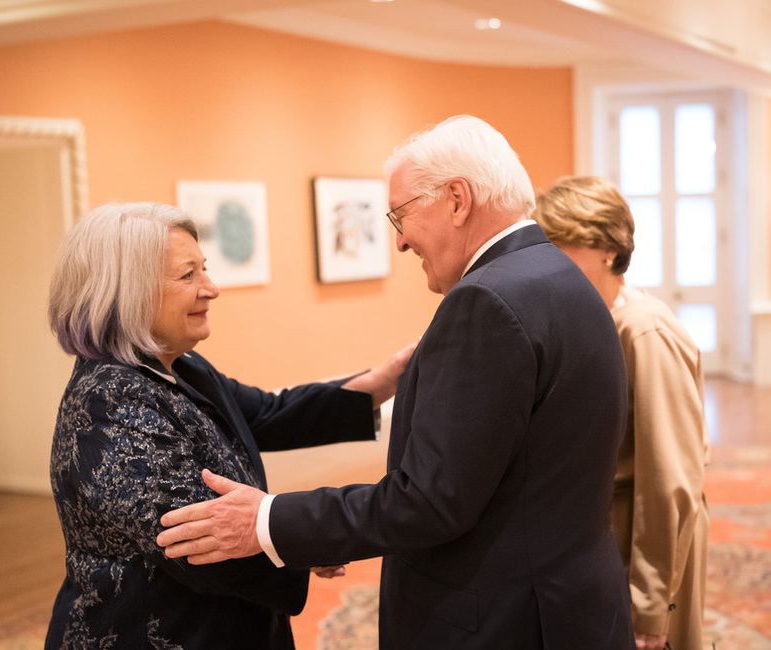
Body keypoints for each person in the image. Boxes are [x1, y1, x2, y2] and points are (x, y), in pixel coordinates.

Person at [157, 115, 637, 649]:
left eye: (400, 215)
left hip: (505, 618)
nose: (401, 241)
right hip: (567, 605)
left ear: (458, 199)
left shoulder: (486, 301)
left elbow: (430, 502)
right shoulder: (558, 275)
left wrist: (268, 520)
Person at [44, 201, 411, 650]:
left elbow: (267, 413)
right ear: (127, 291)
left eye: (205, 269)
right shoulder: (110, 399)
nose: (211, 288)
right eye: (188, 275)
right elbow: (203, 543)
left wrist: (383, 381)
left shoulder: (181, 366)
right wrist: (296, 536)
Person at [534, 175, 710, 650]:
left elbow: (669, 479)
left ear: (609, 250)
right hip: (602, 536)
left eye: (562, 248)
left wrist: (651, 604)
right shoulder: (596, 318)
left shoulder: (644, 330)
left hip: (642, 543)